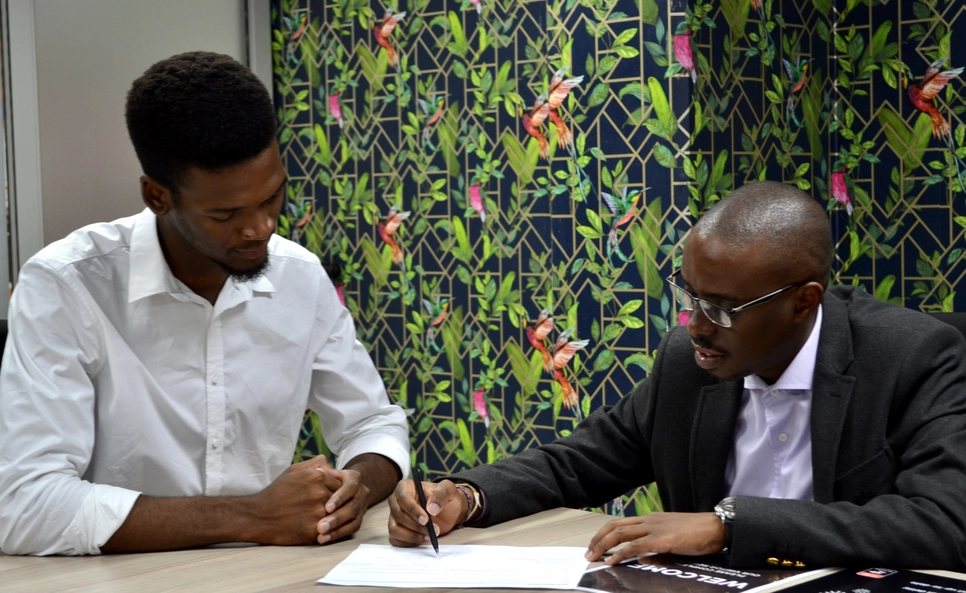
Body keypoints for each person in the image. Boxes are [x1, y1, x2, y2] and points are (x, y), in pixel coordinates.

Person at [388, 181, 966, 569]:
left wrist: (727, 525)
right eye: (689, 296)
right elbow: (580, 461)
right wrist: (466, 495)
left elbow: (943, 522)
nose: (695, 325)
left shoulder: (913, 357)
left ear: (804, 302)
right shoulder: (687, 365)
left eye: (721, 308)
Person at [0, 51, 409, 555]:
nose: (261, 228)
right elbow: (25, 507)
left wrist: (358, 486)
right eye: (225, 214)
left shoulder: (299, 276)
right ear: (157, 196)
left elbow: (372, 422)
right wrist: (251, 516)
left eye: (272, 198)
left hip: (267, 575)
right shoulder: (65, 285)